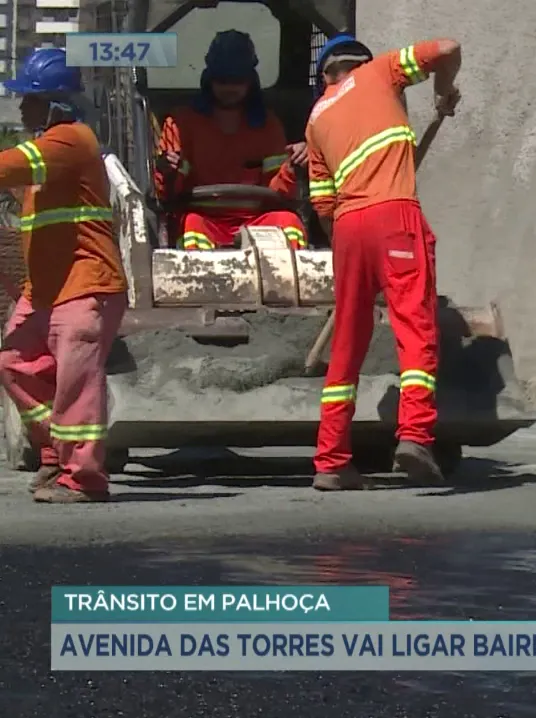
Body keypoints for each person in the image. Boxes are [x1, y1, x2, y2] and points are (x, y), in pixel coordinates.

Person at [304, 33, 462, 491]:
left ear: (325, 77)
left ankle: (331, 461)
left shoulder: (316, 119)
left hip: (349, 229)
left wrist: (353, 254)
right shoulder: (381, 73)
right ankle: (414, 436)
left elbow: (323, 205)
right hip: (395, 214)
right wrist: (441, 91)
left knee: (347, 343)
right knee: (414, 326)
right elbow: (448, 48)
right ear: (361, 63)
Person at [0, 48, 129, 503]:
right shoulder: (48, 157)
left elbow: (7, 166)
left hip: (86, 283)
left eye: (29, 98)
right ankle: (56, 455)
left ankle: (86, 478)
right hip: (47, 290)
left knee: (75, 382)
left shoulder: (72, 140)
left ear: (55, 103)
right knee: (13, 363)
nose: (20, 107)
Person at [154, 30, 307, 250]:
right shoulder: (180, 123)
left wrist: (291, 168)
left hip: (256, 220)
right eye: (222, 80)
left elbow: (278, 191)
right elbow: (167, 194)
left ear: (250, 80)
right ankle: (203, 284)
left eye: (237, 80)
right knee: (191, 226)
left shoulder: (269, 126)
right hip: (205, 218)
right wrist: (168, 172)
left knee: (289, 223)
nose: (229, 88)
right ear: (209, 78)